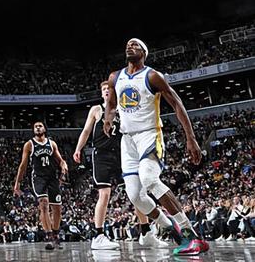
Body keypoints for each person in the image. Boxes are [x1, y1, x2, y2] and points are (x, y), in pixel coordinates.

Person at [103, 38, 210, 255]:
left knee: (149, 179)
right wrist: (108, 118)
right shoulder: (115, 77)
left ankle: (192, 236)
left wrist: (191, 138)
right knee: (135, 196)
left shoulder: (152, 76)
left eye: (135, 45)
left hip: (149, 134)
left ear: (144, 53)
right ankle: (170, 227)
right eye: (128, 44)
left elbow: (177, 103)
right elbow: (112, 104)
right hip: (127, 140)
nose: (130, 46)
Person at [73, 81, 165, 250]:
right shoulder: (97, 109)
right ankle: (98, 236)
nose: (106, 91)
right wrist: (78, 149)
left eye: (109, 89)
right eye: (103, 89)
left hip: (122, 154)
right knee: (104, 194)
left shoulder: (123, 109)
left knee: (136, 193)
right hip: (101, 155)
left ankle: (146, 233)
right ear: (101, 94)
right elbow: (86, 131)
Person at [13, 121, 68, 250]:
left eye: (40, 126)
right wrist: (17, 183)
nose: (37, 128)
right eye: (35, 126)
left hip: (52, 177)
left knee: (57, 208)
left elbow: (60, 160)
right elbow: (23, 165)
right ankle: (49, 235)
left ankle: (55, 234)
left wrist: (64, 166)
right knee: (43, 204)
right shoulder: (29, 144)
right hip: (38, 178)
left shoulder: (52, 144)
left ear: (44, 129)